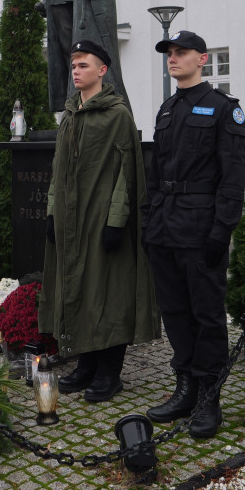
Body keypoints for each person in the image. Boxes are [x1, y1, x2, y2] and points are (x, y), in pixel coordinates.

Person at [142, 30, 245, 438]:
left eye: (181, 53)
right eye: (170, 53)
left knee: (206, 316)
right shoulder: (167, 109)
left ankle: (209, 398)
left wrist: (223, 230)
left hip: (201, 228)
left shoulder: (223, 109)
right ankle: (184, 387)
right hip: (165, 227)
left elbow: (233, 176)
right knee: (175, 314)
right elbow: (156, 173)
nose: (173, 58)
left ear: (202, 59)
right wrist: (149, 222)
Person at [39, 43, 158, 403]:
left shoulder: (117, 114)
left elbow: (127, 172)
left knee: (108, 292)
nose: (75, 71)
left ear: (102, 70)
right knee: (78, 290)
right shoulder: (69, 115)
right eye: (73, 65)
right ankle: (86, 365)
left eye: (83, 65)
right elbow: (58, 168)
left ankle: (110, 373)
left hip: (102, 219)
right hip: (70, 221)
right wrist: (51, 211)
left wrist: (117, 220)